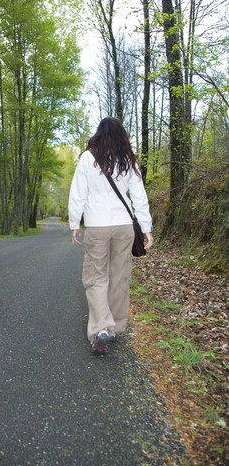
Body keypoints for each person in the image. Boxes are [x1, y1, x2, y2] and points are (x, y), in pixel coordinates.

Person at [69, 117, 153, 355]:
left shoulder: (87, 158)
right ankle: (114, 327)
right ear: (121, 135)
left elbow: (78, 194)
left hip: (97, 225)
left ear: (99, 134)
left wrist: (75, 223)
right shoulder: (128, 159)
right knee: (119, 277)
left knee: (96, 277)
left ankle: (101, 328)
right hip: (124, 226)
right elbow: (139, 196)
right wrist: (146, 228)